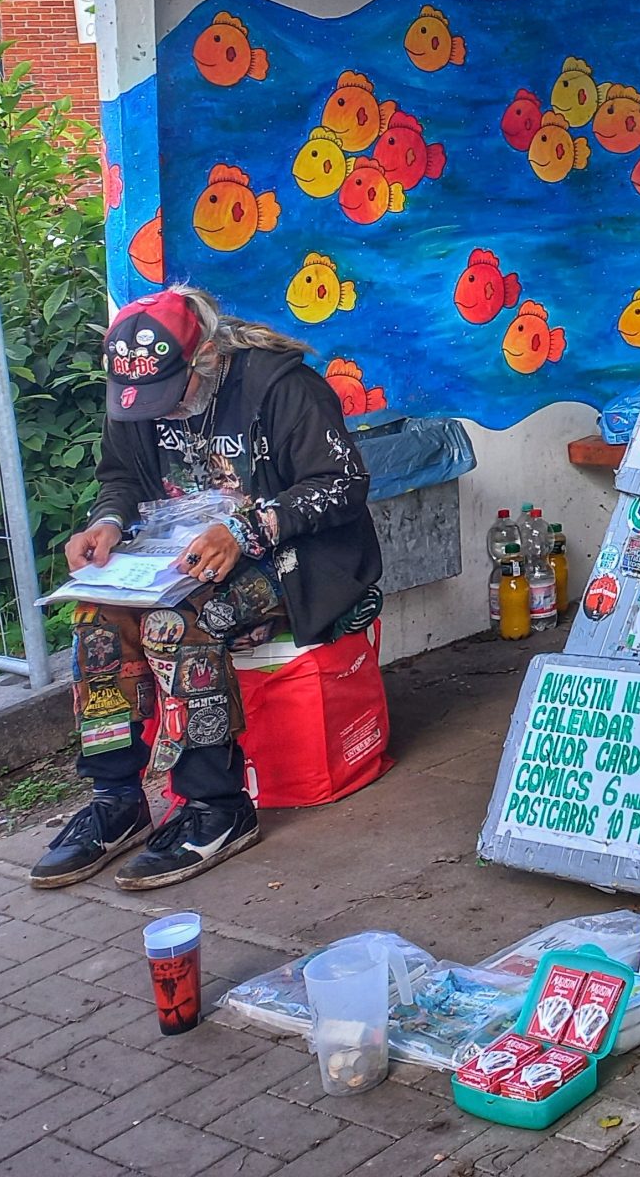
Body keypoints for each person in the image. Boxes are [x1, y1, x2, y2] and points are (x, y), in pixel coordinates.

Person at [31, 287, 382, 890]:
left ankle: (216, 805)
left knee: (175, 625)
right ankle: (117, 797)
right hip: (175, 556)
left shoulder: (282, 387)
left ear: (209, 356)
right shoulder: (137, 398)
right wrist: (107, 523)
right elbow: (119, 477)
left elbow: (343, 484)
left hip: (295, 558)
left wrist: (246, 530)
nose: (160, 414)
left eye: (173, 396)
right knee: (95, 621)